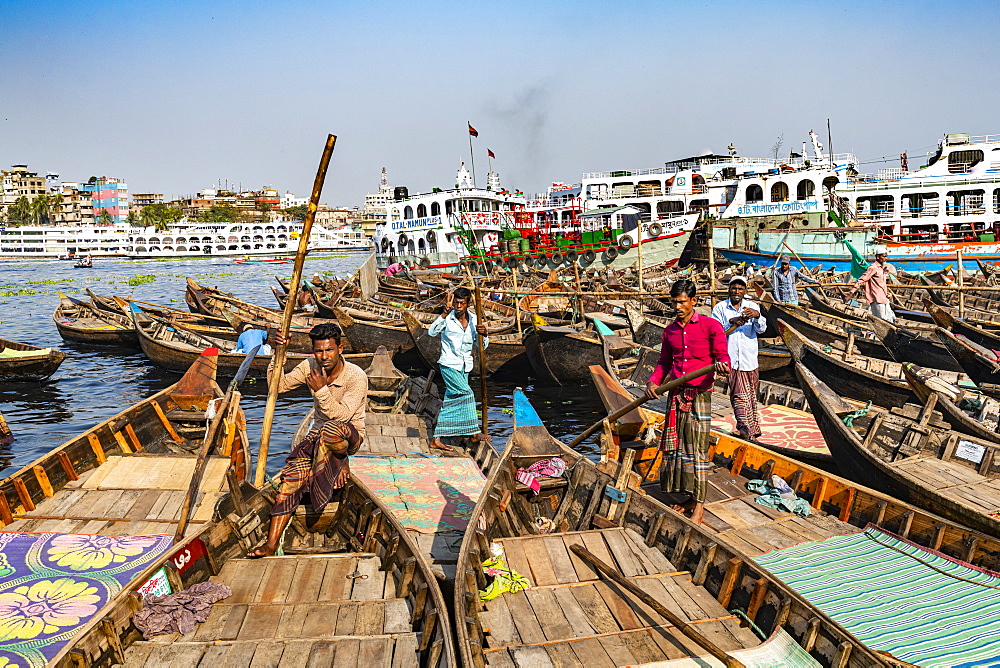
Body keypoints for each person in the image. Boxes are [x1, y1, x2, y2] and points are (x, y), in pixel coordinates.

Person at [248, 322, 368, 557]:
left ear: (340, 349)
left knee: (331, 430)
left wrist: (322, 390)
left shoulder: (356, 376)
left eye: (329, 350)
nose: (324, 357)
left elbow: (342, 416)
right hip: (319, 436)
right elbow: (278, 386)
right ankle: (271, 544)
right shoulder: (310, 366)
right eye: (319, 351)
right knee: (292, 476)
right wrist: (278, 354)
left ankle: (340, 462)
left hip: (348, 436)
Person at [644, 279, 730, 524]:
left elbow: (723, 358)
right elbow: (663, 363)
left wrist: (723, 367)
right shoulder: (670, 331)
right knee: (680, 448)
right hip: (676, 392)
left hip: (699, 394)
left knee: (698, 450)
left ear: (694, 301)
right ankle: (689, 496)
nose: (678, 306)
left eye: (682, 301)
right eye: (674, 302)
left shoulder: (711, 326)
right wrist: (653, 383)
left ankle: (700, 506)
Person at [428, 287, 490, 451]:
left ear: (468, 303)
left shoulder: (475, 320)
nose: (458, 306)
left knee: (450, 402)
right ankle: (474, 433)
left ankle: (436, 439)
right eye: (456, 302)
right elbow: (431, 332)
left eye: (462, 303)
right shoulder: (447, 319)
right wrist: (442, 315)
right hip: (449, 364)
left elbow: (480, 345)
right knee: (467, 394)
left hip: (465, 366)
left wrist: (485, 334)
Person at [711, 276, 765, 441]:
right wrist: (731, 323)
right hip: (732, 360)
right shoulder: (720, 308)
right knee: (739, 395)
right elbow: (715, 333)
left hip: (750, 359)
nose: (737, 291)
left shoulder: (752, 307)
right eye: (734, 288)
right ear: (729, 289)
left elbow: (762, 329)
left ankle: (752, 428)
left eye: (740, 289)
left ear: (745, 291)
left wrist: (757, 316)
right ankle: (744, 428)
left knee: (750, 397)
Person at [848, 247, 895, 322]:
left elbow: (881, 284)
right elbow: (862, 279)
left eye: (886, 256)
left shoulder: (881, 268)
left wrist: (887, 294)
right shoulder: (873, 268)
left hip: (884, 297)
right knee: (881, 321)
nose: (886, 258)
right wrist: (851, 293)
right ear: (877, 257)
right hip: (877, 298)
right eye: (884, 256)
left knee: (890, 318)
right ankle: (869, 333)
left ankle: (870, 333)